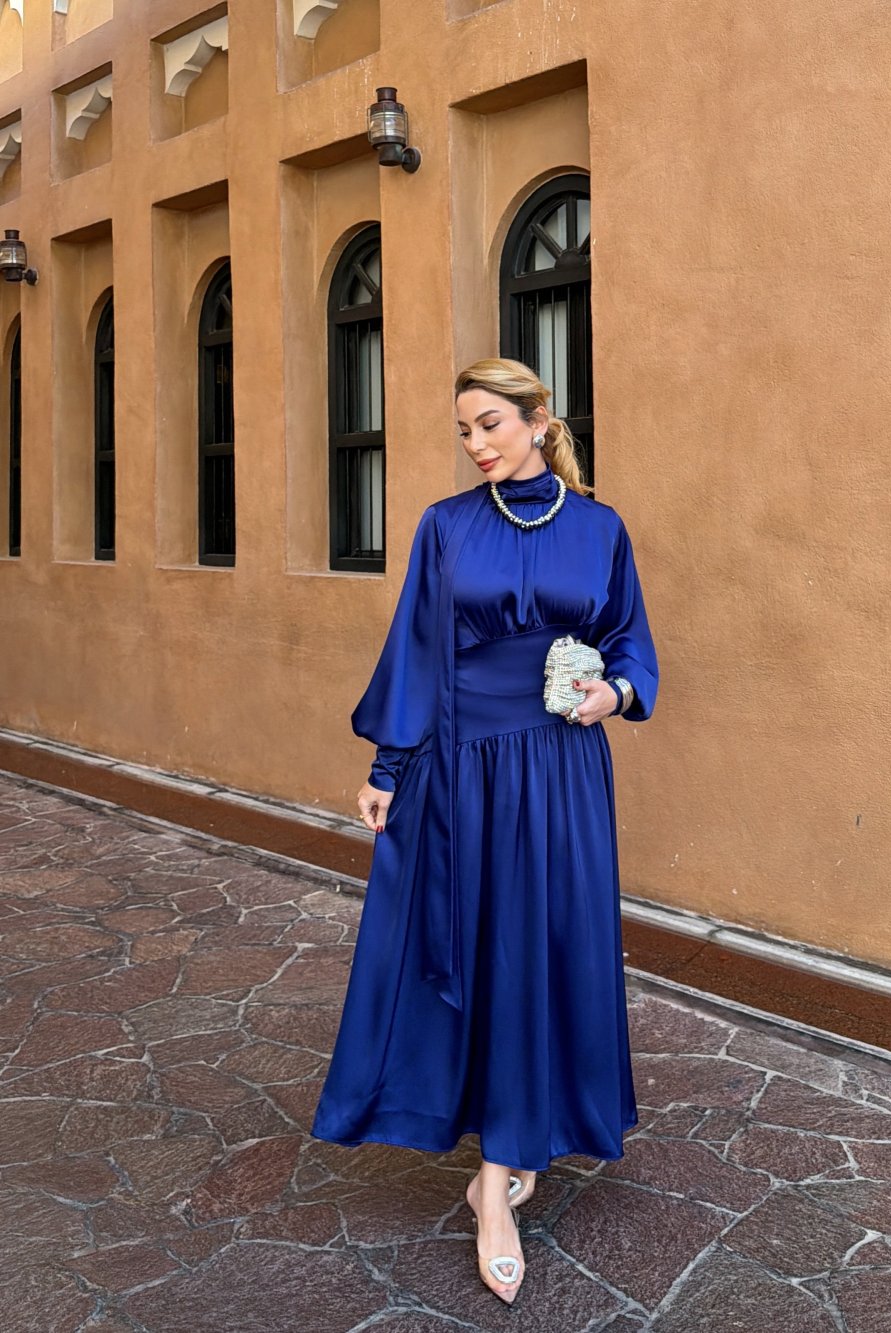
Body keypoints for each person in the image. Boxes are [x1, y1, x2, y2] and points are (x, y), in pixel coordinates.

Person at [311, 358, 659, 1304]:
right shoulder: (445, 524)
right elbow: (417, 651)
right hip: (465, 768)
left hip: (564, 768)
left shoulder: (601, 528)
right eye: (464, 430)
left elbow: (631, 642)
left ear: (539, 421)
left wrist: (614, 693)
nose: (476, 444)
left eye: (491, 425)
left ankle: (509, 1154)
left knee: (546, 948)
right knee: (486, 952)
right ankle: (496, 1185)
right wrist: (388, 767)